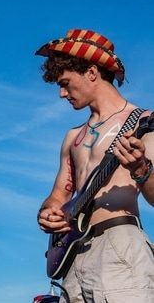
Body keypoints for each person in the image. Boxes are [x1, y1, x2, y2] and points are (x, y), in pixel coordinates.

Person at [35, 29, 154, 302]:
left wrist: (141, 168)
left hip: (120, 245)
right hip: (74, 256)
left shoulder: (144, 122)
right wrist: (47, 213)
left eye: (65, 83)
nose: (62, 94)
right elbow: (58, 196)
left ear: (91, 72)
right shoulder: (72, 137)